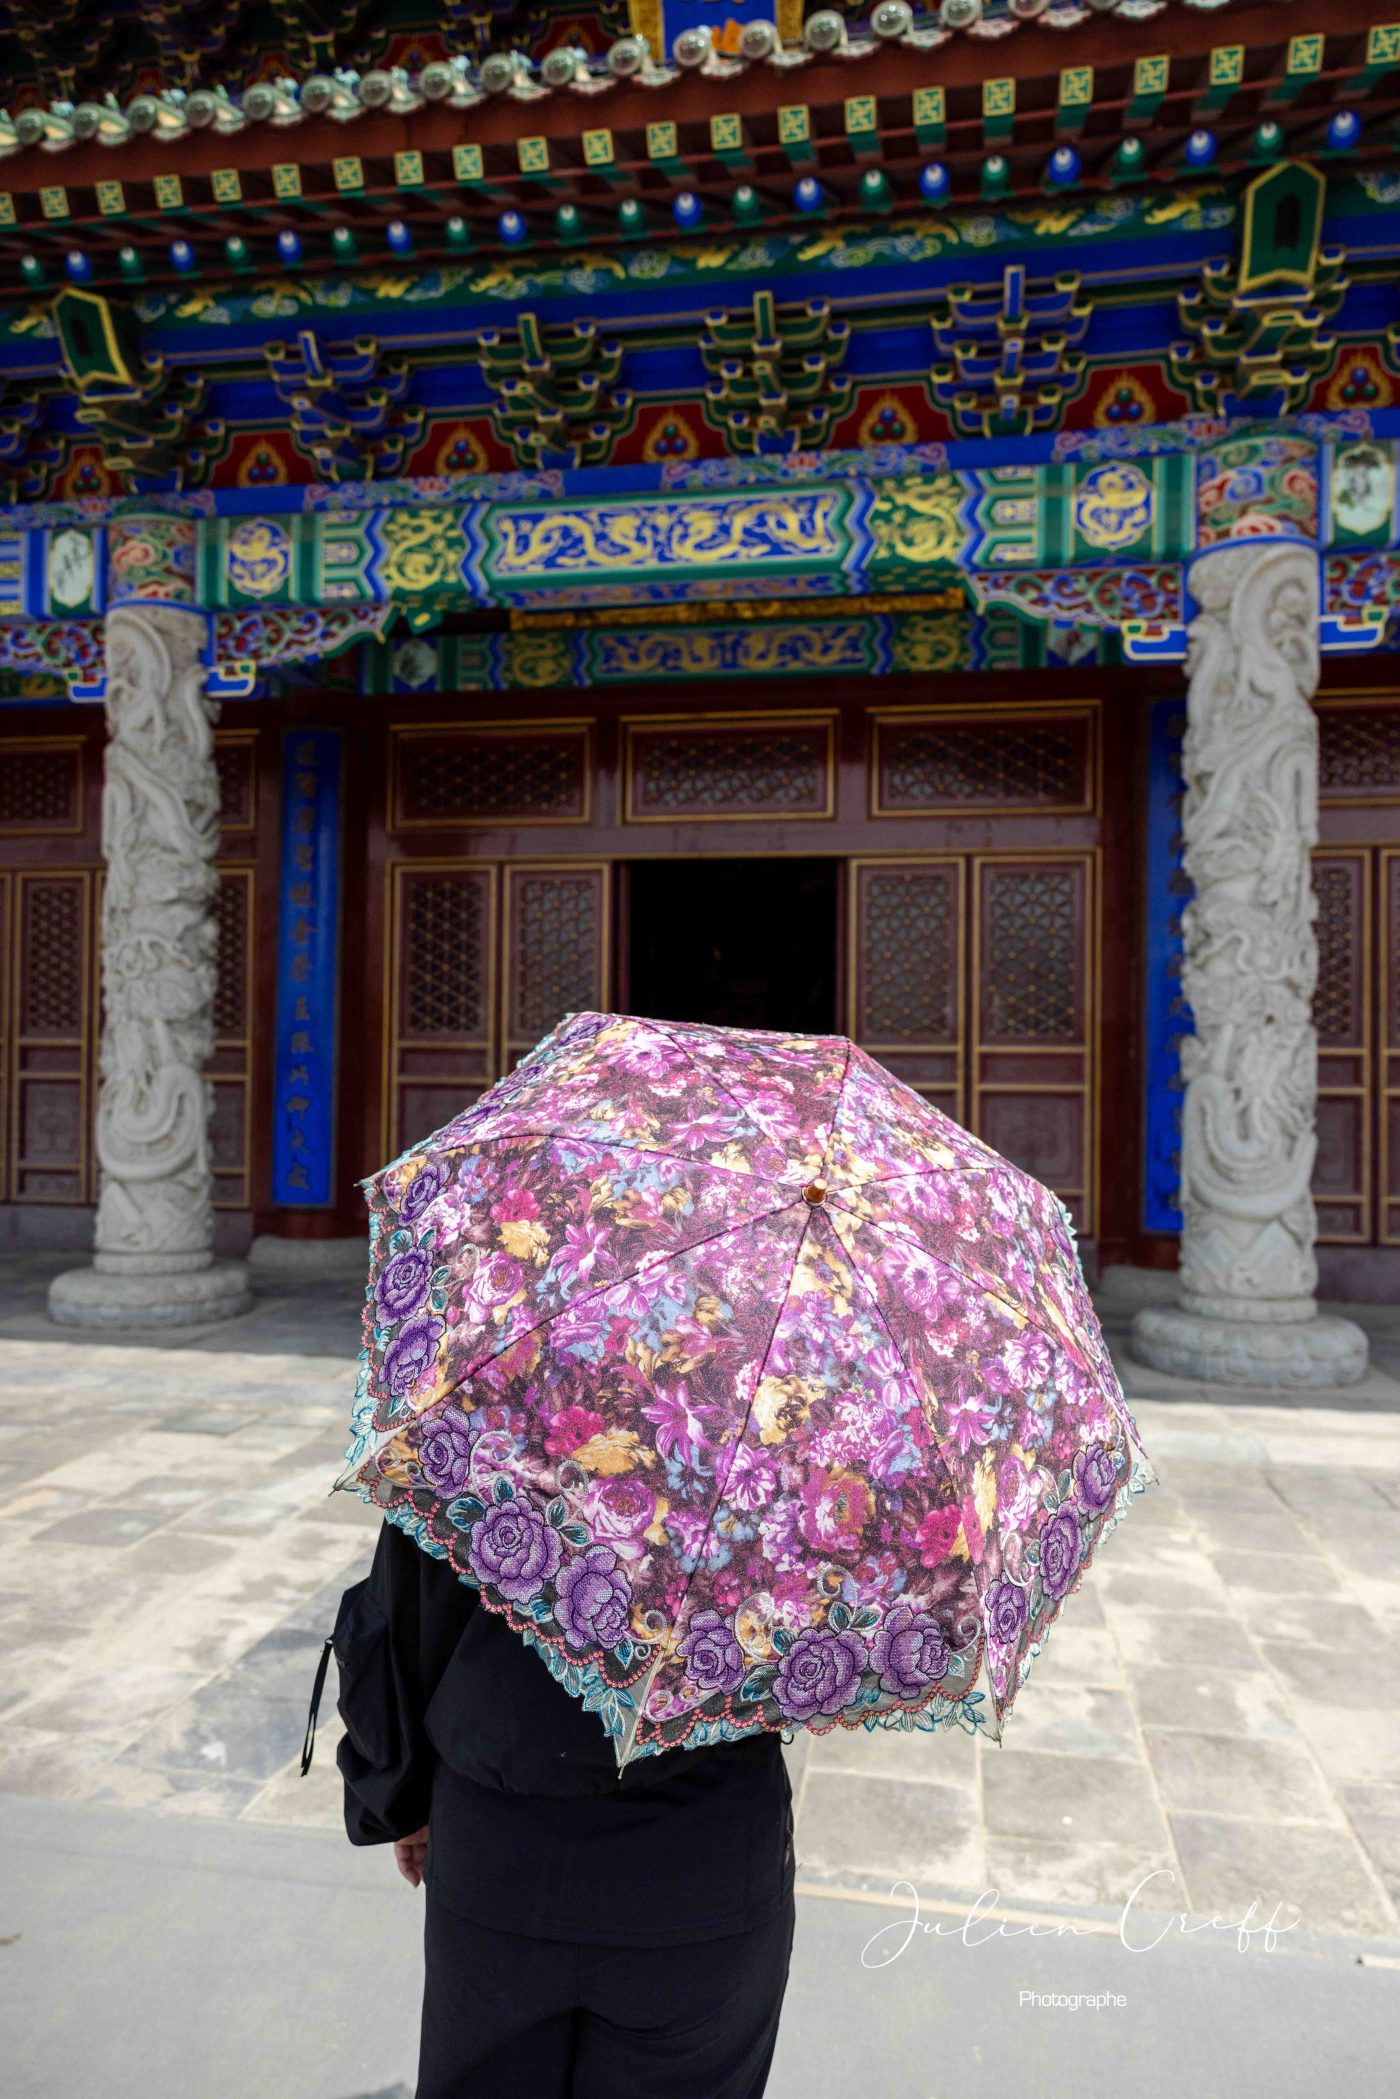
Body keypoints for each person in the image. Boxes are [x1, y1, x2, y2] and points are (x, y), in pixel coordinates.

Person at [327, 1515, 797, 2099]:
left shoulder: (494, 1448)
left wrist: (399, 1796)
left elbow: (407, 1600)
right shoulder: (798, 1460)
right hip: (705, 1857)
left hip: (500, 1847)